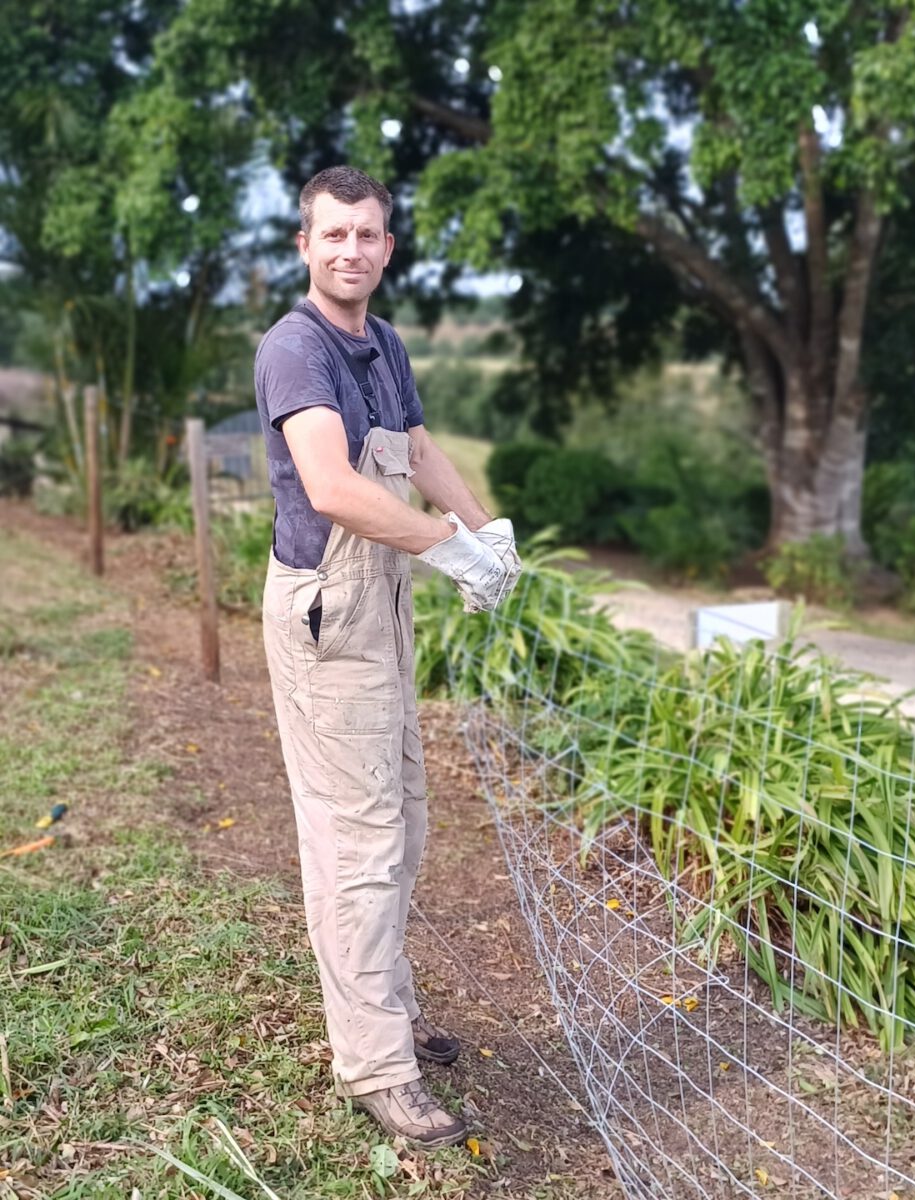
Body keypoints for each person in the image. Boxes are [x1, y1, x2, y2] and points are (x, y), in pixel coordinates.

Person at [254, 165, 521, 1149]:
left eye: (368, 235)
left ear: (387, 247)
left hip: (383, 606)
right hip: (332, 613)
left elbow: (410, 443)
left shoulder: (384, 342)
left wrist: (485, 528)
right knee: (358, 841)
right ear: (305, 245)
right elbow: (331, 484)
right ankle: (375, 1066)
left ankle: (386, 1013)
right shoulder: (297, 349)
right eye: (334, 235)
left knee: (402, 820)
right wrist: (445, 547)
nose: (351, 250)